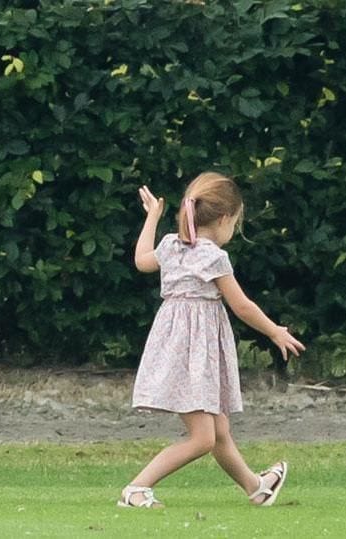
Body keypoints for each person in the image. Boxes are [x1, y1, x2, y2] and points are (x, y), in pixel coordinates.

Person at [118, 172, 306, 508]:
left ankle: (257, 487)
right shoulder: (212, 256)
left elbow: (140, 260)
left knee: (219, 431)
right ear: (223, 219)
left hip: (176, 350)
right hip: (193, 355)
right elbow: (242, 306)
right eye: (235, 222)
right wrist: (275, 331)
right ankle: (136, 488)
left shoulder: (171, 245)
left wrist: (151, 218)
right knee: (203, 438)